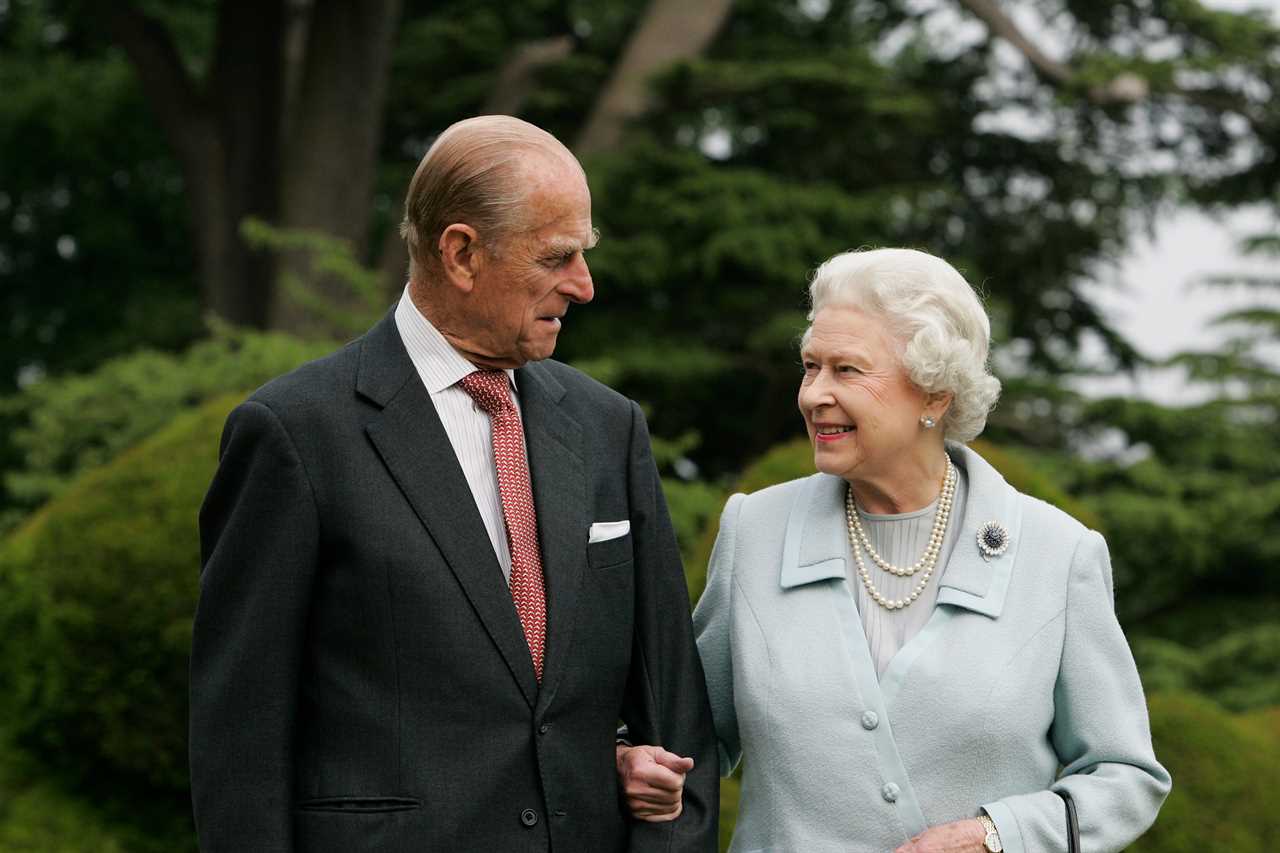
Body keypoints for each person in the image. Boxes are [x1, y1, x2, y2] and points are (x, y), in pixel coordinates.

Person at [190, 115, 718, 852]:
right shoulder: (293, 433)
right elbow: (238, 741)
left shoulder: (609, 428)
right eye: (558, 256)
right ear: (462, 253)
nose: (584, 285)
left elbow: (675, 714)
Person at [618, 248, 1170, 852]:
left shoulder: (1058, 554)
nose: (812, 395)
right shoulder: (756, 529)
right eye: (810, 367)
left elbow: (1125, 778)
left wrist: (995, 837)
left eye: (847, 370)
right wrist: (636, 759)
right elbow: (687, 733)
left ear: (934, 395)